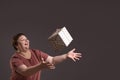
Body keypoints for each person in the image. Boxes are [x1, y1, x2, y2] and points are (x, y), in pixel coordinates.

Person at [9, 33, 82, 80]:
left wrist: (66, 56)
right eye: (23, 40)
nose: (26, 41)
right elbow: (25, 72)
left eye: (27, 39)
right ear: (16, 45)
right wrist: (40, 66)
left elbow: (52, 60)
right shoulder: (15, 59)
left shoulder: (36, 52)